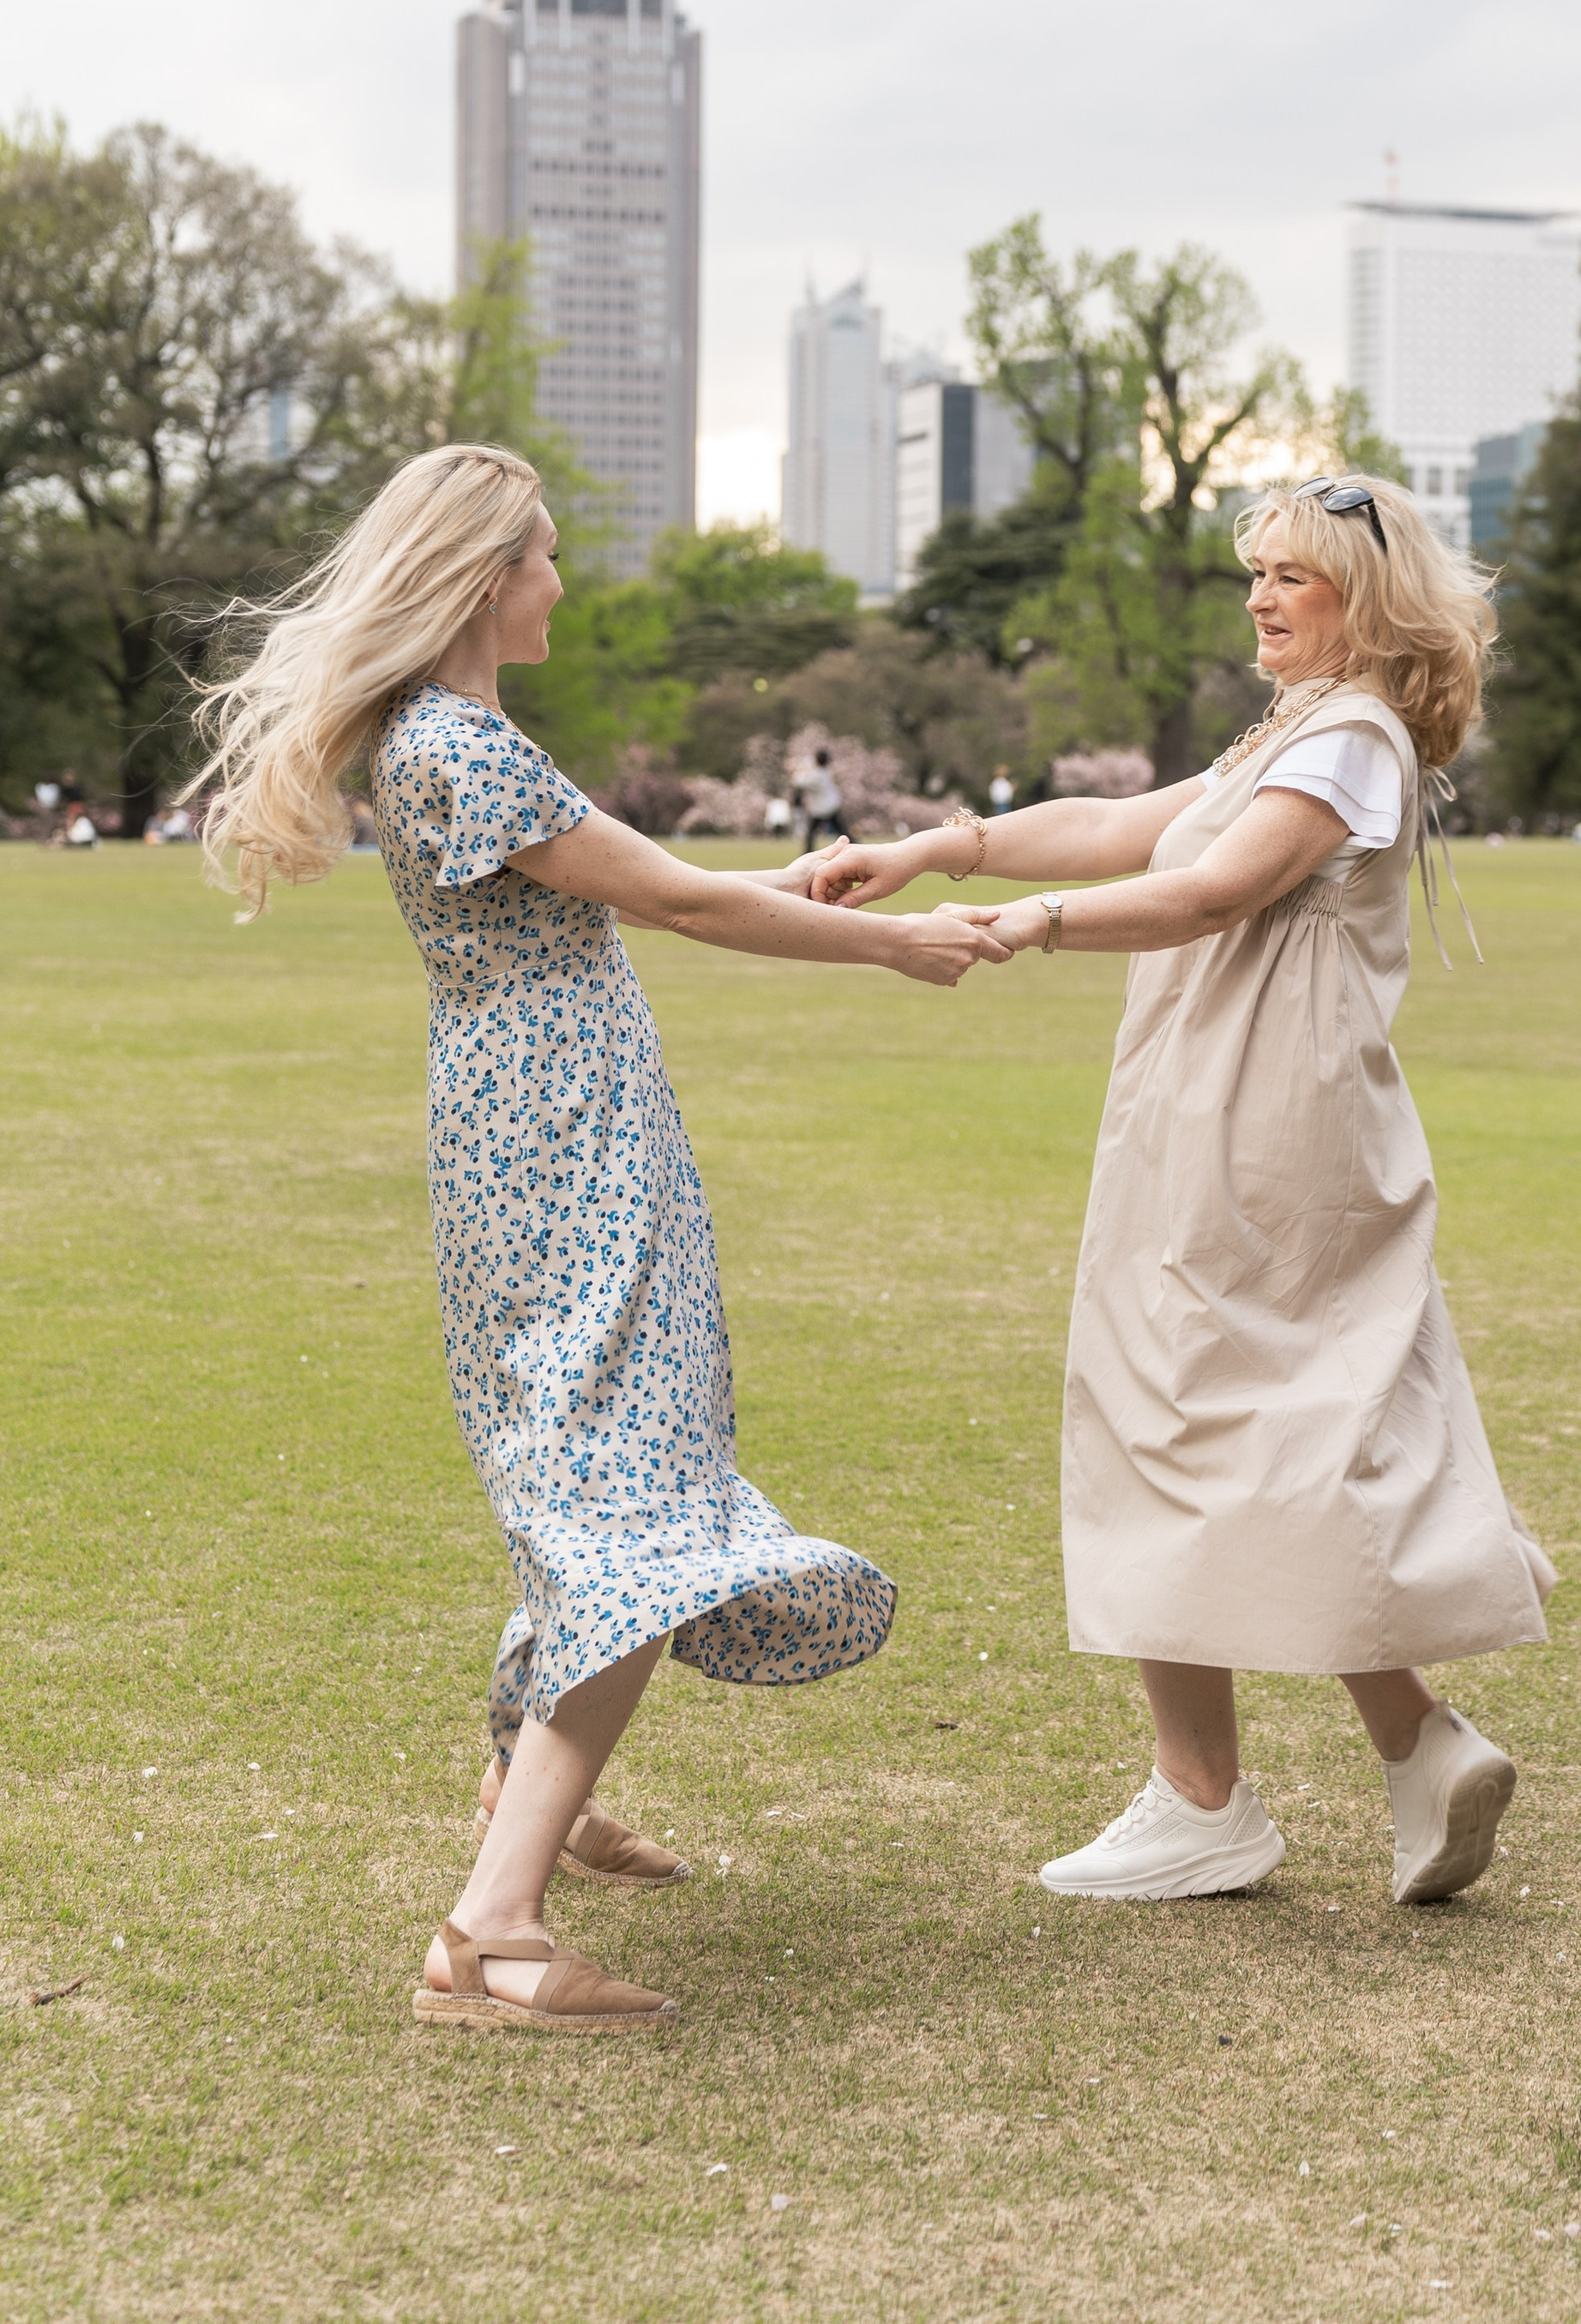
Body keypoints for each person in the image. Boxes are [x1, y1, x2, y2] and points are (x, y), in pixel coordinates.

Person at [194, 443, 1001, 2036]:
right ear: (484, 576)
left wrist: (797, 884)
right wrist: (892, 944)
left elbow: (637, 884)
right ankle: (494, 1931)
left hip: (541, 1128)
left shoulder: (447, 738)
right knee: (629, 1489)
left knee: (589, 1468)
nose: (563, 580)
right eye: (547, 554)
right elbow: (683, 905)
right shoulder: (459, 744)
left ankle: (530, 1794)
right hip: (566, 1149)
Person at [816, 476, 1551, 1908]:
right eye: (1255, 573)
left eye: (1294, 576)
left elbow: (1218, 889)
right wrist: (937, 847)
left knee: (1163, 1407)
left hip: (1256, 1126)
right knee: (1270, 1422)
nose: (1261, 597)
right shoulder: (1302, 729)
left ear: (1365, 600)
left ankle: (1204, 1797)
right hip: (1237, 1112)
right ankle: (1414, 1743)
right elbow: (1121, 824)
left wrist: (1022, 925)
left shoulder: (1349, 738)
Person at [793, 745, 844, 853]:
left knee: (811, 833)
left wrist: (801, 769)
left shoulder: (816, 775)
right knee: (841, 830)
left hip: (821, 808)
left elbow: (799, 782)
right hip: (831, 805)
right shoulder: (826, 771)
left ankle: (807, 852)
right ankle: (855, 845)